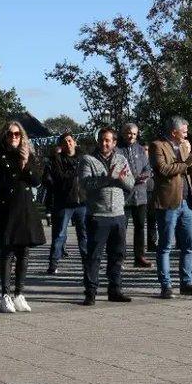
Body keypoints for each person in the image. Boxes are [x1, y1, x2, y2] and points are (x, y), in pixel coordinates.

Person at [0, 121, 46, 312]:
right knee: (7, 253)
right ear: (4, 137)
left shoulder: (28, 154)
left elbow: (37, 180)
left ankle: (19, 294)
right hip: (6, 209)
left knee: (24, 252)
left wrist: (26, 164)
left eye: (17, 134)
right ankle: (5, 295)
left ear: (22, 136)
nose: (13, 137)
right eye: (10, 134)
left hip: (25, 208)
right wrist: (19, 168)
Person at [80, 127, 135, 305]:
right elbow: (85, 183)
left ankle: (115, 290)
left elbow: (131, 183)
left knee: (117, 255)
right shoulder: (88, 160)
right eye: (102, 140)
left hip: (118, 214)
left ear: (114, 143)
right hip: (98, 214)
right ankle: (90, 292)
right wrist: (108, 178)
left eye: (108, 140)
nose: (104, 143)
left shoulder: (121, 159)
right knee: (94, 256)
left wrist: (120, 179)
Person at [150, 116, 192, 298]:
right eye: (184, 131)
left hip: (186, 203)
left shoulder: (183, 146)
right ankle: (166, 285)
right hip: (168, 202)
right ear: (174, 132)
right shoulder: (158, 145)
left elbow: (191, 173)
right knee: (165, 245)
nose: (187, 134)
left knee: (190, 244)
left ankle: (186, 282)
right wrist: (187, 162)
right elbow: (164, 170)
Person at [43, 133, 88, 275]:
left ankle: (88, 263)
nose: (68, 143)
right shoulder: (56, 160)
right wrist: (75, 173)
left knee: (84, 234)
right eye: (64, 142)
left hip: (82, 201)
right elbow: (59, 178)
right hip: (64, 202)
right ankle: (53, 263)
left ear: (75, 143)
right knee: (59, 235)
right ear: (61, 146)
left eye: (70, 141)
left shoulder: (83, 159)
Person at [118, 123, 153, 267]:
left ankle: (139, 256)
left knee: (140, 227)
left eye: (133, 133)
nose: (131, 136)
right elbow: (117, 170)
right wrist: (131, 178)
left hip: (140, 194)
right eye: (128, 133)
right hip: (124, 194)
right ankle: (120, 257)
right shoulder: (117, 150)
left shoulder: (140, 149)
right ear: (123, 133)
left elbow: (148, 167)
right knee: (121, 228)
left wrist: (146, 175)